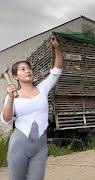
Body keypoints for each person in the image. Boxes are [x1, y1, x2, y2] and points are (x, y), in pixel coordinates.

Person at [0, 36, 63, 180]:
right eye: (23, 69)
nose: (28, 70)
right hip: (18, 146)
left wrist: (57, 48)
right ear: (15, 76)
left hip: (40, 148)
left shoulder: (42, 89)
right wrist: (10, 97)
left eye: (29, 68)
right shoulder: (12, 95)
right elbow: (5, 120)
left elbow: (57, 70)